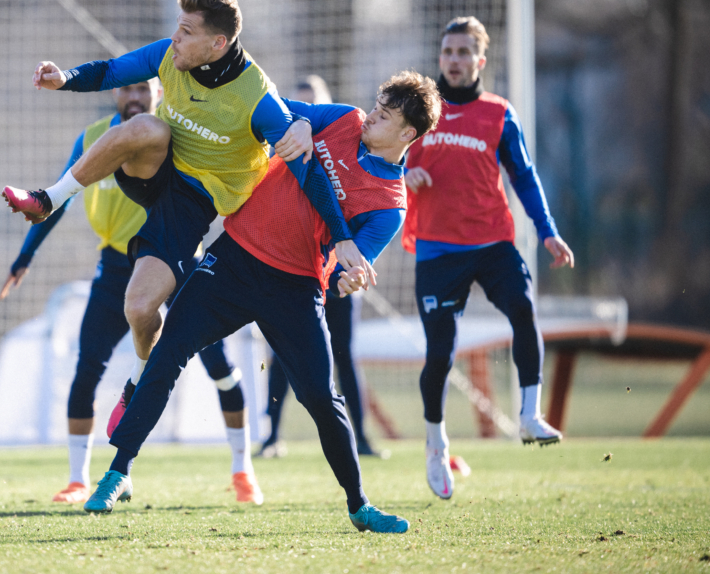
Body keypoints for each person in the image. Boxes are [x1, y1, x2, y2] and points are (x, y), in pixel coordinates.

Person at [83, 71, 442, 536]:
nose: (372, 115)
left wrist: (350, 279)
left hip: (294, 289)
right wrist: (299, 125)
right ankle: (118, 472)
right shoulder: (346, 120)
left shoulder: (390, 204)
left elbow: (350, 268)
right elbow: (270, 107)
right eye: (378, 106)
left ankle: (359, 505)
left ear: (408, 133)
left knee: (320, 396)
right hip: (233, 259)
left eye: (386, 115)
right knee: (169, 350)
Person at [3, 0, 373, 435]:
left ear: (218, 44)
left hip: (191, 206)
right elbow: (113, 71)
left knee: (140, 310)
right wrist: (65, 78)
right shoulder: (170, 55)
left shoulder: (256, 96)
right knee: (145, 125)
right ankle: (48, 199)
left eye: (186, 31)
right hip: (155, 168)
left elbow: (310, 172)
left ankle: (137, 383)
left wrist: (342, 236)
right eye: (177, 28)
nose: (175, 38)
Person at [0, 78, 263, 505]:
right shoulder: (93, 139)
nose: (135, 96)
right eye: (127, 89)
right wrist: (25, 256)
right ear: (115, 95)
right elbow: (60, 198)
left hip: (179, 262)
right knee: (87, 370)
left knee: (221, 368)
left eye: (144, 88)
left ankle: (242, 469)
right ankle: (77, 479)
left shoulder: (171, 134)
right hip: (116, 265)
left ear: (159, 94)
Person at [402, 16, 575, 501]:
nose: (454, 60)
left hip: (494, 242)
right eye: (447, 52)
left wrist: (548, 233)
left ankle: (528, 415)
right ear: (440, 58)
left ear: (480, 60)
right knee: (440, 354)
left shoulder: (500, 114)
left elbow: (524, 177)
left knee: (523, 310)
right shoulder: (416, 112)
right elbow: (380, 162)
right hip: (437, 249)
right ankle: (436, 445)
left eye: (463, 53)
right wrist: (403, 178)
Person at [259, 75, 382, 459]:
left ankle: (360, 437)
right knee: (280, 352)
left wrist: (356, 262)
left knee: (343, 353)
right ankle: (271, 436)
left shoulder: (347, 143)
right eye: (298, 107)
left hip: (335, 266)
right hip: (294, 262)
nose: (301, 118)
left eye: (309, 105)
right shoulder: (287, 147)